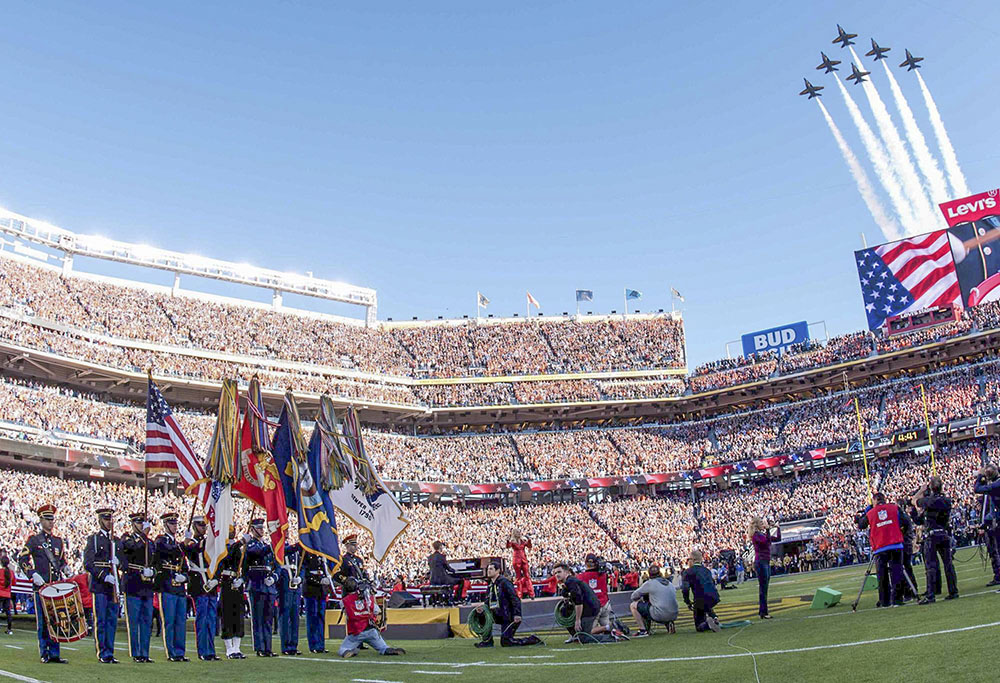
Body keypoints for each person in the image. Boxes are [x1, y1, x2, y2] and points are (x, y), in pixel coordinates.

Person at [18, 503, 68, 663]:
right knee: (43, 622)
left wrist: (66, 569)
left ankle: (55, 653)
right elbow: (22, 558)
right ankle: (44, 652)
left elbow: (61, 561)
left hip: (55, 587)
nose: (50, 522)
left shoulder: (58, 541)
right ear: (41, 520)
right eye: (47, 519)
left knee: (56, 620)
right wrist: (32, 574)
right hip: (41, 587)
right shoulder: (34, 540)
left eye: (52, 519)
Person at [856, 492, 912, 608]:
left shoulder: (871, 513)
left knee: (882, 575)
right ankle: (897, 599)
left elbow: (861, 525)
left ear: (874, 501)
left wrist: (865, 514)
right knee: (897, 572)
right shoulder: (894, 508)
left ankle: (884, 601)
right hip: (896, 545)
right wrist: (901, 533)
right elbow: (906, 522)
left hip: (880, 547)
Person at [913, 477, 959, 604]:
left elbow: (915, 501)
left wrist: (921, 490)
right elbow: (920, 518)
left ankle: (931, 594)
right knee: (948, 564)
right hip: (943, 533)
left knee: (931, 566)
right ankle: (953, 590)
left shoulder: (929, 501)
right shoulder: (946, 501)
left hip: (932, 536)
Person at [475, 560, 542, 648]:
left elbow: (515, 598)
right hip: (497, 614)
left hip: (508, 615)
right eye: (488, 569)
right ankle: (487, 641)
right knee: (482, 615)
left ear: (498, 570)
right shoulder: (491, 585)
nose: (488, 571)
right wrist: (483, 608)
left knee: (506, 642)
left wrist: (517, 614)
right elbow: (488, 601)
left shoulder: (505, 582)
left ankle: (532, 639)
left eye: (491, 569)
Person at [83, 506, 120, 663]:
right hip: (100, 584)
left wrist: (119, 563)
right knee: (101, 620)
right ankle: (102, 652)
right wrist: (104, 576)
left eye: (110, 519)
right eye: (106, 519)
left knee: (112, 620)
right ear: (100, 520)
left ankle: (110, 652)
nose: (109, 522)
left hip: (113, 586)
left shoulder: (115, 541)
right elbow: (88, 563)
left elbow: (124, 560)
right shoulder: (94, 540)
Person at [121, 511, 158, 663]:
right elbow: (132, 549)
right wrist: (144, 536)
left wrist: (153, 571)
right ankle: (136, 652)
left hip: (147, 585)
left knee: (146, 620)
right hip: (133, 583)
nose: (141, 525)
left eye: (142, 523)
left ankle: (145, 652)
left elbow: (155, 560)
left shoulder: (150, 542)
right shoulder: (127, 538)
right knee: (134, 620)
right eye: (138, 523)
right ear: (132, 524)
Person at [183, 515, 221, 661]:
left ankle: (211, 650)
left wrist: (216, 579)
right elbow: (190, 551)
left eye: (205, 525)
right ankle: (202, 650)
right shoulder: (192, 543)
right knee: (202, 619)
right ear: (194, 527)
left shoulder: (209, 543)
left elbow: (217, 560)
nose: (204, 528)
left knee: (211, 619)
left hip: (210, 584)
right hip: (199, 584)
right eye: (200, 525)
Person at [337, 576, 405, 658]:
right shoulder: (368, 598)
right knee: (383, 648)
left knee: (343, 649)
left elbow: (347, 611)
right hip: (371, 629)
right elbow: (376, 611)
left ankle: (348, 651)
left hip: (356, 632)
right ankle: (387, 650)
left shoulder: (344, 601)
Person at [155, 512, 189, 662]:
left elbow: (185, 567)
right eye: (172, 524)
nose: (175, 526)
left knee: (180, 621)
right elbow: (168, 550)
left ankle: (180, 652)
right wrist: (184, 544)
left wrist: (185, 577)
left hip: (179, 587)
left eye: (176, 524)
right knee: (169, 621)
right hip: (167, 585)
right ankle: (171, 652)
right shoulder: (161, 541)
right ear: (165, 525)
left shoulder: (177, 544)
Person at [243, 518, 279, 657]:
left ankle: (268, 647)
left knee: (268, 618)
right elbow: (257, 553)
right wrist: (273, 543)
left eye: (262, 528)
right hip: (257, 584)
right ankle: (259, 647)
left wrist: (273, 577)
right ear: (252, 530)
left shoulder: (264, 544)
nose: (261, 530)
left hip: (268, 585)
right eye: (258, 528)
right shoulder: (251, 544)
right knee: (258, 618)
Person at [218, 526, 247, 659]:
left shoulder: (237, 547)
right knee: (227, 615)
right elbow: (226, 556)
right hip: (226, 581)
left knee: (238, 615)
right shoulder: (221, 545)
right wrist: (240, 543)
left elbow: (243, 565)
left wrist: (242, 579)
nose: (232, 530)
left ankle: (237, 647)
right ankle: (229, 648)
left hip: (237, 581)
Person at [553, 563, 599, 643]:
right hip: (586, 607)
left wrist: (577, 621)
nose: (557, 575)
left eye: (559, 572)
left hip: (590, 609)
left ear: (566, 572)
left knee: (584, 638)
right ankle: (574, 636)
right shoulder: (567, 583)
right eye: (555, 573)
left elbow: (579, 602)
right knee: (564, 610)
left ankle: (611, 634)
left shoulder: (571, 582)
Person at [629, 564, 678, 637]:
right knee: (661, 603)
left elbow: (633, 596)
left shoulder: (650, 583)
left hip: (659, 614)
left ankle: (643, 630)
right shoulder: (669, 583)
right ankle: (669, 623)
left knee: (633, 605)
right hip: (674, 614)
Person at [681, 550, 721, 633]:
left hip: (700, 599)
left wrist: (687, 602)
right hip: (714, 597)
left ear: (692, 560)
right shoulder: (707, 570)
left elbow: (685, 589)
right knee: (705, 604)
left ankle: (707, 624)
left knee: (699, 625)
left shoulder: (688, 572)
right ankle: (714, 617)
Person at [302, 549, 333, 653]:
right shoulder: (306, 553)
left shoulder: (321, 554)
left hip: (321, 591)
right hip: (311, 589)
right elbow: (305, 572)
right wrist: (319, 580)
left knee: (321, 617)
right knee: (312, 618)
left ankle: (321, 645)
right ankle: (314, 645)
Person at [974, 464, 1000, 587]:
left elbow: (977, 489)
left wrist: (980, 476)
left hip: (997, 522)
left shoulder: (995, 485)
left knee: (997, 551)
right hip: (994, 521)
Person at [278, 534, 304, 656]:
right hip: (285, 585)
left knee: (295, 617)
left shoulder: (295, 551)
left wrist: (300, 578)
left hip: (295, 586)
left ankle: (293, 645)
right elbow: (285, 552)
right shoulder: (280, 547)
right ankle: (285, 645)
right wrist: (301, 543)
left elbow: (301, 566)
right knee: (285, 616)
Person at [750, 517, 781, 619]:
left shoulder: (761, 534)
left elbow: (777, 539)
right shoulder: (756, 535)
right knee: (763, 588)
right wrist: (768, 529)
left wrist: (778, 528)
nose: (763, 524)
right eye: (761, 523)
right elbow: (766, 542)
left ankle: (762, 611)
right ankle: (764, 612)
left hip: (765, 561)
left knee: (764, 588)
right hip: (761, 562)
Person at [577, 554, 613, 635]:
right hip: (605, 603)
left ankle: (608, 627)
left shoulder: (580, 577)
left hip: (593, 606)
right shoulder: (603, 575)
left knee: (589, 632)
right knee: (606, 623)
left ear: (585, 562)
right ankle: (612, 628)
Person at [896, 497, 920, 601]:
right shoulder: (904, 516)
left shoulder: (901, 517)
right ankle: (912, 589)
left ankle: (909, 591)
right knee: (907, 568)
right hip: (907, 543)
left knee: (905, 568)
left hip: (904, 544)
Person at [506, 531, 534, 599]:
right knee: (518, 577)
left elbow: (529, 546)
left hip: (523, 559)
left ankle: (531, 594)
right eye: (517, 533)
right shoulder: (513, 541)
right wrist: (508, 541)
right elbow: (508, 546)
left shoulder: (522, 540)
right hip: (516, 559)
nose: (519, 534)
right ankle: (519, 594)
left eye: (519, 533)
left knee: (527, 576)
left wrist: (529, 540)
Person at [0, 551, 13, 635]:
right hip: (7, 594)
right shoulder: (11, 572)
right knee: (8, 612)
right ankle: (9, 629)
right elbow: (14, 582)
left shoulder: (0, 571)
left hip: (0, 593)